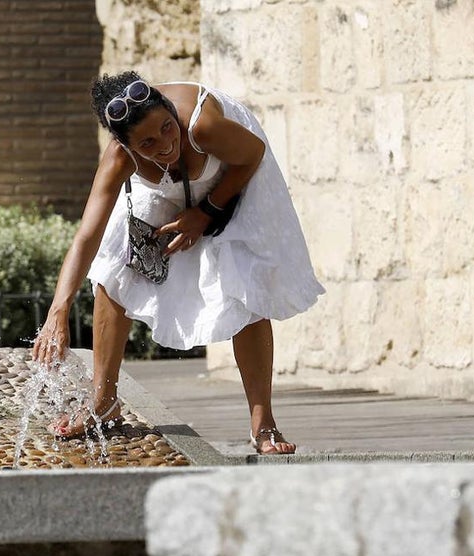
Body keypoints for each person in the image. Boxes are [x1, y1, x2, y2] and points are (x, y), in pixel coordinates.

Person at [31, 71, 324, 455]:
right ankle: (103, 401)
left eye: (167, 128)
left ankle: (263, 423)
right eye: (148, 143)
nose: (166, 144)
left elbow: (252, 155)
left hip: (235, 169)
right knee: (114, 265)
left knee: (244, 282)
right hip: (169, 185)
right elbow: (87, 236)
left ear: (171, 112)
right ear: (126, 146)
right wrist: (58, 310)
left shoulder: (203, 125)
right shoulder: (121, 158)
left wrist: (205, 212)